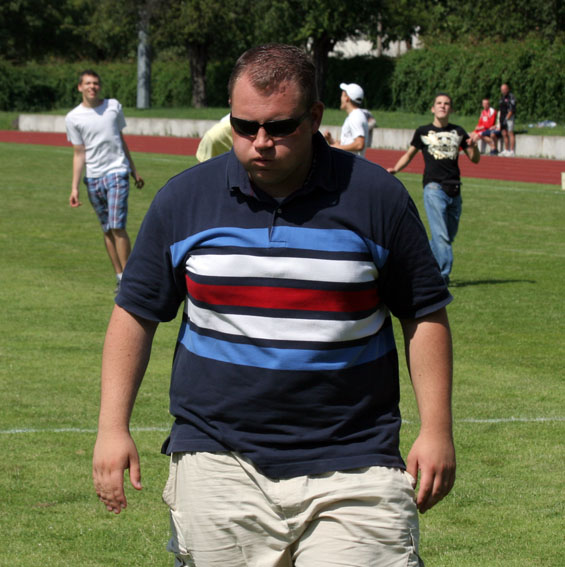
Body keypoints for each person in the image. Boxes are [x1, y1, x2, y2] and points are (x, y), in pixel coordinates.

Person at [93, 44, 456, 567]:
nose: (260, 142)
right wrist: (112, 428)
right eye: (244, 126)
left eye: (280, 127)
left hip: (355, 458)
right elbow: (135, 313)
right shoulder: (184, 200)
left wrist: (437, 429)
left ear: (315, 118)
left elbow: (423, 313)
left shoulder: (377, 198)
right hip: (218, 457)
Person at [387, 93, 480, 285]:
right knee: (441, 237)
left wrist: (475, 146)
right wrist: (395, 168)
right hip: (434, 188)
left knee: (445, 238)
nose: (442, 106)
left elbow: (475, 159)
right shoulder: (423, 131)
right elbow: (409, 154)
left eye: (446, 104)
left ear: (451, 109)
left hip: (455, 189)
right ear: (432, 108)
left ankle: (415, 264)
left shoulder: (459, 131)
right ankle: (442, 276)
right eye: (439, 103)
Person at [65, 70, 144, 293]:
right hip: (93, 177)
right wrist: (74, 187)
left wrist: (133, 169)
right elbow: (79, 153)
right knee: (107, 228)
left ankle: (129, 280)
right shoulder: (73, 117)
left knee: (117, 225)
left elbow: (120, 139)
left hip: (117, 171)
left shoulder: (113, 107)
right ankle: (120, 276)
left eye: (96, 83)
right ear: (80, 87)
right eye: (88, 83)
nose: (93, 87)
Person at [324, 82, 369, 156]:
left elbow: (359, 144)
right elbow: (346, 145)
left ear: (347, 98)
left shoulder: (355, 116)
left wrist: (337, 147)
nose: (340, 98)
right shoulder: (355, 115)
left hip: (353, 163)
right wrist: (330, 140)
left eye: (342, 95)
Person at [498, 83, 517, 156]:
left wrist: (507, 118)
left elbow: (512, 109)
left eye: (504, 89)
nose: (503, 91)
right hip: (502, 117)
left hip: (509, 117)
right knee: (504, 133)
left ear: (507, 89)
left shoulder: (511, 97)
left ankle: (511, 151)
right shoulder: (502, 98)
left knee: (510, 132)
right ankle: (506, 149)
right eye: (502, 89)